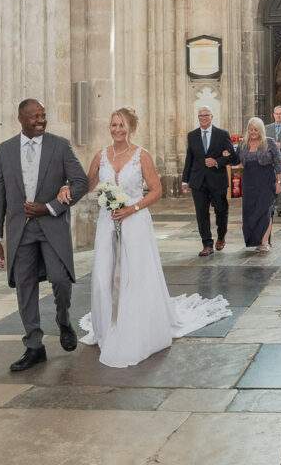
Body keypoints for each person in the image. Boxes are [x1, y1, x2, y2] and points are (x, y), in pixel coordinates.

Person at [71, 107, 232, 368]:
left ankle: (134, 328)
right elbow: (87, 185)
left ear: (131, 128)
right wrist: (65, 189)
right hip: (107, 223)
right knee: (102, 276)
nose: (117, 130)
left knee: (134, 276)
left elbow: (156, 191)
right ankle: (107, 327)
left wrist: (131, 208)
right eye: (113, 125)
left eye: (122, 125)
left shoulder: (141, 155)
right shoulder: (101, 155)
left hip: (134, 223)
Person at [0, 98, 89, 372]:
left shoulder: (60, 145)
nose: (41, 120)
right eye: (34, 116)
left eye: (43, 115)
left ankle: (63, 320)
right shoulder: (5, 150)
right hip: (20, 230)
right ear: (20, 118)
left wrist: (50, 207)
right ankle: (34, 346)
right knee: (25, 286)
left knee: (60, 278)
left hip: (52, 226)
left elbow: (81, 183)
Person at [181, 105, 240, 255]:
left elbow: (233, 158)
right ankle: (207, 244)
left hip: (217, 180)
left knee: (221, 211)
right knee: (201, 213)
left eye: (206, 115)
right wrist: (185, 180)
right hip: (198, 180)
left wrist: (217, 161)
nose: (203, 118)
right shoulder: (192, 135)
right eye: (200, 116)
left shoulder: (222, 134)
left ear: (212, 117)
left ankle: (221, 236)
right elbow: (189, 158)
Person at [237, 117, 281, 252]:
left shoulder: (270, 142)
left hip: (266, 181)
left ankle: (264, 242)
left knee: (265, 210)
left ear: (261, 130)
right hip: (249, 182)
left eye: (256, 129)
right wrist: (225, 154)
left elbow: (278, 163)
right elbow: (235, 159)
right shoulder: (242, 143)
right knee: (251, 212)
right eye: (251, 129)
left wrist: (279, 182)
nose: (253, 132)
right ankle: (255, 240)